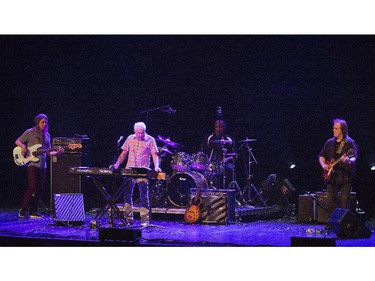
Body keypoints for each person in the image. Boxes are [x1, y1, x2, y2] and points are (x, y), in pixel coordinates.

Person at [111, 122, 161, 227]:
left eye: (142, 133)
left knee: (143, 195)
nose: (140, 135)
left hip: (142, 171)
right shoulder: (130, 138)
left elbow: (155, 155)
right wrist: (116, 164)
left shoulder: (150, 139)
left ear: (145, 131)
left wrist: (156, 166)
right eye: (138, 133)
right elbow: (123, 153)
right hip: (129, 170)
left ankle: (144, 219)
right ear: (134, 131)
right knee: (127, 194)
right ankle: (128, 218)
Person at [15, 113, 63, 219]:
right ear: (38, 122)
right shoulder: (29, 132)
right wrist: (23, 146)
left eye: (46, 122)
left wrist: (58, 152)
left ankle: (33, 211)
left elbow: (49, 152)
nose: (45, 124)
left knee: (39, 188)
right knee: (32, 186)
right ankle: (22, 210)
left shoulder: (47, 136)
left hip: (42, 165)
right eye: (43, 122)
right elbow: (17, 141)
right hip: (32, 163)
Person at [319, 118, 358, 218]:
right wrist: (324, 165)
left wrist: (348, 160)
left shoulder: (349, 143)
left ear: (342, 130)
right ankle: (331, 224)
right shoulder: (329, 142)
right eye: (333, 128)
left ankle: (344, 225)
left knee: (344, 202)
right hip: (332, 178)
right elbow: (321, 156)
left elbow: (353, 157)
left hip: (345, 177)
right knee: (330, 202)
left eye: (336, 128)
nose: (333, 130)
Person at [200, 119, 236, 189]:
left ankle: (227, 191)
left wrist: (226, 159)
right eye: (217, 127)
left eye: (221, 127)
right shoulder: (209, 138)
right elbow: (202, 151)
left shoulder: (229, 139)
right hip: (210, 163)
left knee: (229, 168)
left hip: (225, 163)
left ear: (224, 128)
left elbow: (235, 155)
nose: (219, 129)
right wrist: (206, 160)